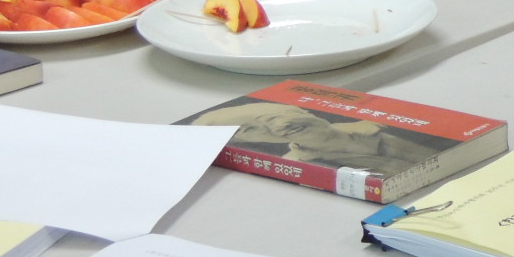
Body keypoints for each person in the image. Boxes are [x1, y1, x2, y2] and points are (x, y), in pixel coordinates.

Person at [187, 101, 448, 176]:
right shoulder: (301, 166)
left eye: (269, 115)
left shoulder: (388, 123)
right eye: (247, 130)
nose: (280, 126)